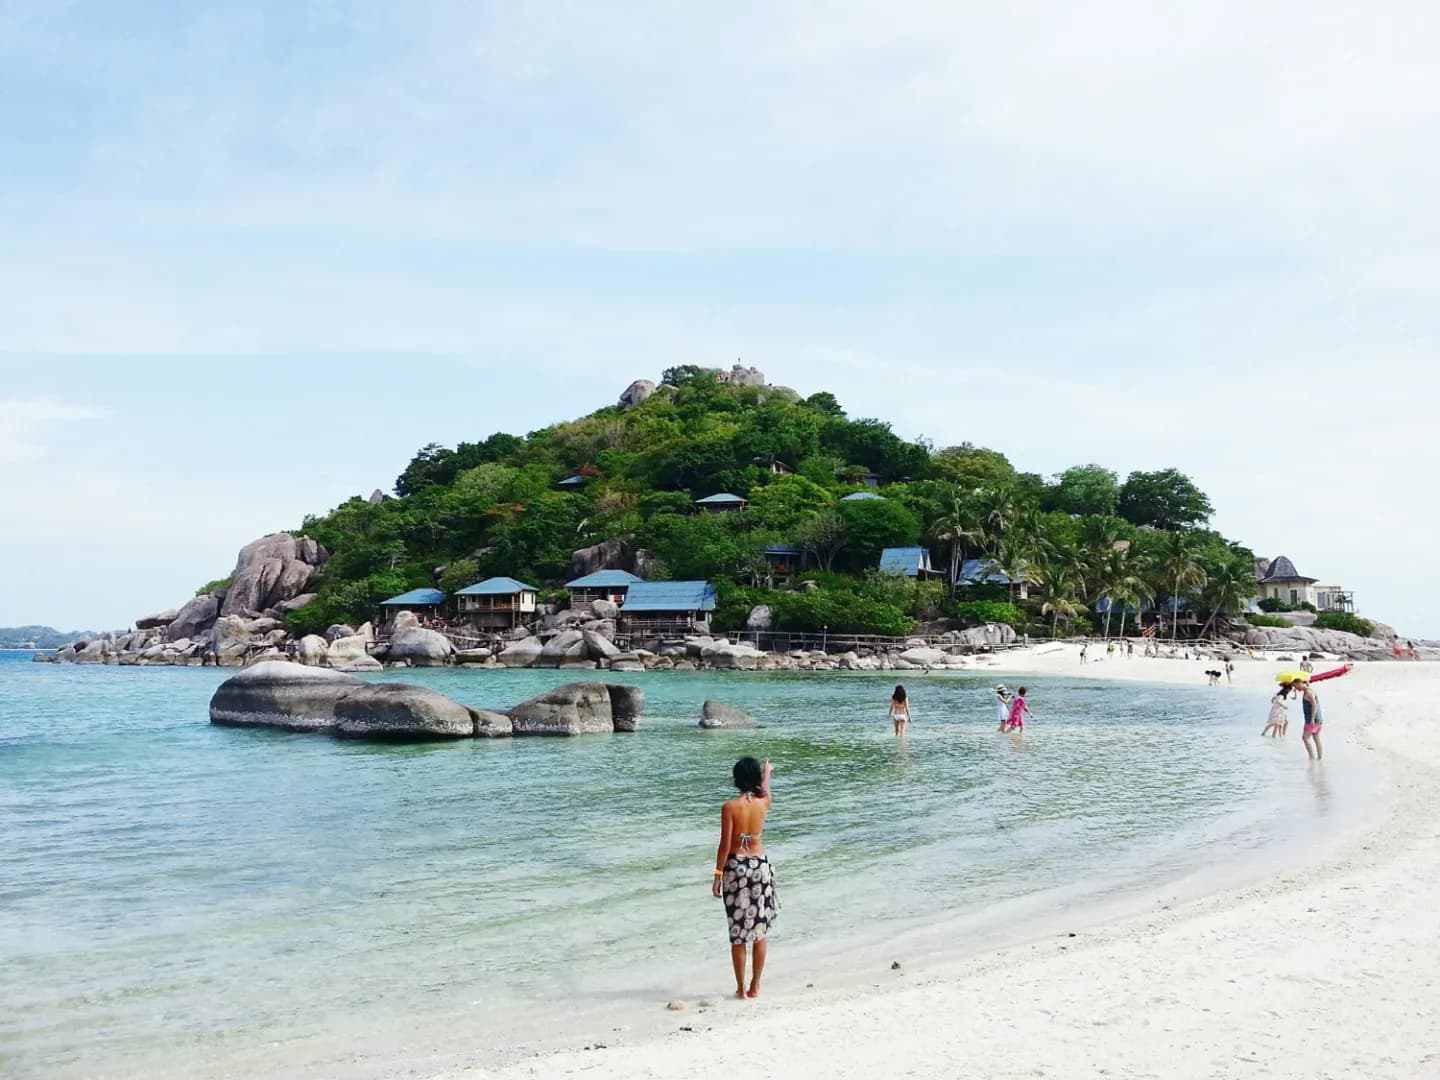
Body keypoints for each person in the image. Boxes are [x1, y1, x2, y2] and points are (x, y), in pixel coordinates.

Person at [713, 756, 778, 999]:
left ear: (736, 778)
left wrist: (718, 875)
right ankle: (755, 986)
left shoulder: (730, 807)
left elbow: (725, 845)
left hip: (737, 868)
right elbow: (765, 791)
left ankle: (740, 988)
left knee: (738, 933)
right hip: (760, 866)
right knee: (759, 931)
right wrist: (767, 773)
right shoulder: (763, 803)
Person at [1300, 681, 1324, 760]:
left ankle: (1312, 758)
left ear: (1300, 682)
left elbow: (1314, 704)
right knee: (1316, 737)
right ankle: (1320, 758)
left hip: (1312, 719)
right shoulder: (1309, 690)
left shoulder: (1308, 693)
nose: (1295, 688)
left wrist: (1312, 718)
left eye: (1295, 685)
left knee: (1305, 738)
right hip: (1318, 719)